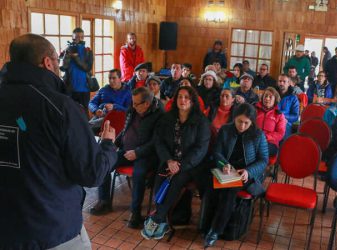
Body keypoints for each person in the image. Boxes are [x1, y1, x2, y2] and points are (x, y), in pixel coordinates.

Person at [0, 34, 117, 249]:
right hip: (52, 227)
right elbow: (92, 173)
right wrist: (108, 145)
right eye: (57, 60)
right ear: (47, 62)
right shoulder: (60, 107)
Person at [141, 86, 211, 240]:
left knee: (175, 181)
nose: (183, 100)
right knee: (159, 181)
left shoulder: (201, 121)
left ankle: (157, 218)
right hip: (169, 161)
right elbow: (159, 142)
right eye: (180, 97)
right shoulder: (167, 118)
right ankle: (162, 219)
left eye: (186, 97)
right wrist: (169, 160)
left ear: (192, 101)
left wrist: (180, 165)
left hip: (190, 165)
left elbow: (200, 150)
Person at [90, 87, 164, 228]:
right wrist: (114, 144)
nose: (133, 106)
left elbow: (156, 141)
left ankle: (135, 213)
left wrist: (137, 153)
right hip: (126, 150)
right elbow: (126, 130)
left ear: (146, 104)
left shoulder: (160, 114)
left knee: (139, 173)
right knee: (104, 162)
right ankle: (104, 201)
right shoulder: (133, 108)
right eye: (133, 102)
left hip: (147, 155)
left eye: (136, 104)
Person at [203, 103, 269, 247]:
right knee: (210, 185)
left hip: (245, 173)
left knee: (230, 191)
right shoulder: (226, 130)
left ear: (252, 122)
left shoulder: (258, 135)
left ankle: (215, 230)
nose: (242, 126)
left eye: (246, 123)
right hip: (227, 169)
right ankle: (205, 225)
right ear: (234, 118)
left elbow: (264, 160)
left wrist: (248, 171)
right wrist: (224, 164)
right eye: (239, 121)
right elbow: (217, 152)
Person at [60, 27, 93, 109]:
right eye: (77, 37)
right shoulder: (66, 50)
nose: (79, 39)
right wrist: (67, 55)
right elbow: (62, 68)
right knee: (70, 113)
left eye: (81, 37)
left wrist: (76, 57)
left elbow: (87, 68)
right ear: (73, 37)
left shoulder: (88, 51)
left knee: (84, 113)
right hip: (70, 88)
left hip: (84, 88)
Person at [256, 87, 287, 156]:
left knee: (260, 149)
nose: (267, 98)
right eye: (265, 96)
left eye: (270, 97)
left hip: (270, 142)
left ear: (275, 100)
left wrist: (265, 137)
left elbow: (280, 133)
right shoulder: (255, 110)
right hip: (254, 138)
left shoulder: (279, 115)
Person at [277, 74, 300, 139]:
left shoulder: (293, 98)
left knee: (284, 127)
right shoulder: (273, 94)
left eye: (284, 81)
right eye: (280, 81)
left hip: (286, 122)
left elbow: (295, 116)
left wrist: (283, 116)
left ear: (289, 83)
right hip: (272, 119)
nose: (281, 83)